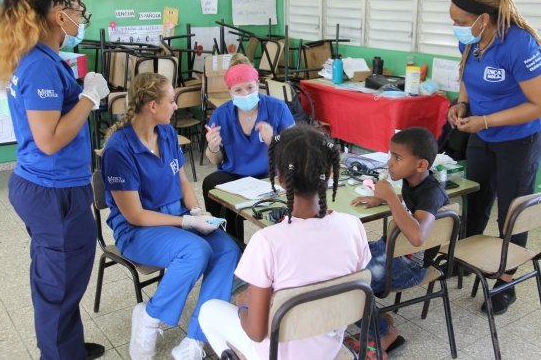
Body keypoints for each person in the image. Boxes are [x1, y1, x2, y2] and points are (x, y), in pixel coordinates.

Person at [0, 0, 109, 360]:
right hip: (53, 190)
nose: (81, 18)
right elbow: (50, 139)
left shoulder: (41, 57)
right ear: (60, 15)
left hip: (48, 185)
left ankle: (66, 346)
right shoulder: (40, 65)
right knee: (58, 286)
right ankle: (58, 354)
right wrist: (89, 98)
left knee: (60, 278)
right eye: (79, 10)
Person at [198, 124, 372, 360]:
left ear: (280, 178)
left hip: (276, 354)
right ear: (331, 173)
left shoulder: (266, 242)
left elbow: (257, 333)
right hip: (327, 349)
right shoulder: (354, 227)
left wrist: (242, 305)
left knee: (208, 311)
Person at [101, 72, 240, 360]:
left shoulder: (165, 133)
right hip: (137, 231)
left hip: (176, 218)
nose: (176, 106)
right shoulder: (119, 149)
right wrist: (187, 222)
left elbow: (183, 182)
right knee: (196, 251)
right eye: (171, 101)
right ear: (153, 106)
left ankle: (194, 341)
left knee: (227, 249)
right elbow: (135, 215)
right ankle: (150, 318)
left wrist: (196, 211)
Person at [447, 0, 541, 314]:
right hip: (483, 129)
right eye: (452, 21)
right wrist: (462, 104)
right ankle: (467, 257)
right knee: (476, 197)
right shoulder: (471, 38)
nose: (456, 28)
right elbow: (467, 73)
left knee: (512, 210)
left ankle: (505, 280)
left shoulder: (518, 45)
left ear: (483, 18)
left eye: (461, 21)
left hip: (521, 138)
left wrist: (487, 121)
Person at [351, 127, 448, 355]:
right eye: (390, 155)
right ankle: (374, 314)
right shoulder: (415, 181)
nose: (389, 163)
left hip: (411, 266)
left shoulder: (432, 192)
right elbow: (413, 204)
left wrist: (392, 198)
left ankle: (385, 333)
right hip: (393, 250)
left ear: (421, 165)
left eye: (397, 157)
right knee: (344, 262)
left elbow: (417, 236)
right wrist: (381, 199)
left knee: (351, 287)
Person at [202, 62, 294, 241]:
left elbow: (296, 151)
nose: (245, 94)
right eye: (238, 90)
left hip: (271, 175)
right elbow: (215, 159)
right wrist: (213, 147)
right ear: (230, 91)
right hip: (236, 175)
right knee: (211, 182)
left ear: (258, 84)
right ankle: (229, 243)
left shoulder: (277, 108)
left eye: (250, 88)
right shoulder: (221, 114)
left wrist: (274, 141)